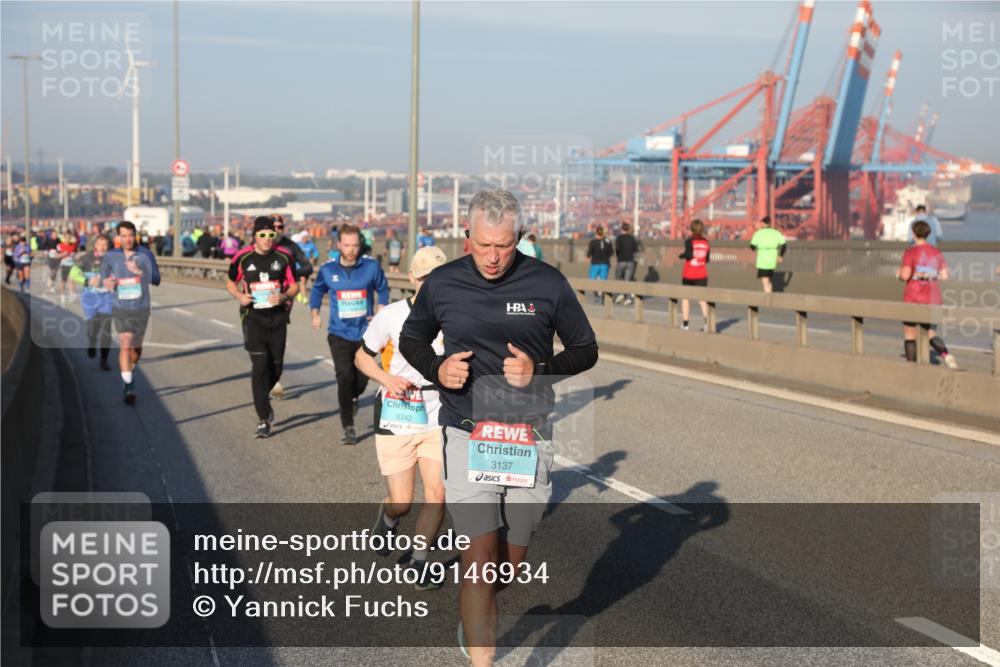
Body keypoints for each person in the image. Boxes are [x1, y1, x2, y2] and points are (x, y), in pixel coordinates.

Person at [399, 189, 598, 664]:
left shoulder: (547, 283)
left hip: (526, 435)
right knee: (477, 557)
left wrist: (540, 370)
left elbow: (586, 349)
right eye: (483, 245)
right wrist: (437, 368)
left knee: (508, 565)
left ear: (521, 238)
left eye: (503, 246)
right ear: (467, 236)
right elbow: (412, 338)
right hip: (466, 431)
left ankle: (475, 619)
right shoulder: (443, 283)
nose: (492, 257)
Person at [355, 246, 449, 589]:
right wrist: (385, 378)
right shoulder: (391, 316)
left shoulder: (456, 317)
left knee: (437, 495)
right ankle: (389, 518)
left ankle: (420, 562)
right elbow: (362, 358)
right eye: (426, 279)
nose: (433, 285)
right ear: (412, 279)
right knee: (403, 502)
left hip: (439, 414)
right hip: (397, 412)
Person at [310, 223, 389, 445]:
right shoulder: (328, 269)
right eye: (347, 245)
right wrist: (314, 313)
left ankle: (354, 396)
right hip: (339, 333)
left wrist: (381, 308)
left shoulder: (371, 267)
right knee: (344, 376)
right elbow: (317, 291)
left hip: (365, 333)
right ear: (339, 245)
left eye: (355, 245)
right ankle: (348, 426)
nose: (351, 250)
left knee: (362, 378)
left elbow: (383, 288)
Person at [226, 216, 299, 438]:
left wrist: (284, 295)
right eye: (262, 235)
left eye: (270, 235)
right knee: (259, 366)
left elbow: (295, 286)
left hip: (277, 319)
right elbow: (230, 282)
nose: (267, 239)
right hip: (252, 318)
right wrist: (240, 296)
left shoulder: (284, 258)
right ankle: (262, 419)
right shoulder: (242, 257)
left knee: (276, 368)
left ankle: (263, 399)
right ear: (255, 236)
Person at [101, 221, 161, 405]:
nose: (127, 239)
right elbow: (104, 275)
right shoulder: (111, 256)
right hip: (121, 307)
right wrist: (107, 282)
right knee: (125, 344)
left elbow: (156, 279)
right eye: (123, 235)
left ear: (136, 235)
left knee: (136, 347)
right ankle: (128, 385)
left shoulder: (145, 253)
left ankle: (132, 368)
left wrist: (140, 271)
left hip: (141, 306)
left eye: (130, 235)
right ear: (118, 237)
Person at [897, 220, 958, 369]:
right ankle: (946, 355)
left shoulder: (910, 252)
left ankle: (911, 368)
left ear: (913, 233)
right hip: (932, 298)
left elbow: (905, 276)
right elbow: (944, 276)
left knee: (910, 334)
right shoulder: (936, 252)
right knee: (931, 334)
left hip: (913, 298)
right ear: (928, 233)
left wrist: (898, 274)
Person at [270, 214, 315, 397]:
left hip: (284, 299)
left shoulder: (289, 246)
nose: (276, 230)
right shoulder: (257, 245)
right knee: (261, 343)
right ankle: (265, 373)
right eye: (273, 226)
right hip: (259, 302)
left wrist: (289, 272)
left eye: (279, 226)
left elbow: (307, 266)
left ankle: (274, 377)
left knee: (277, 341)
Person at [70, 233, 114, 370]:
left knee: (106, 330)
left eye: (105, 244)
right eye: (100, 244)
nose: (102, 247)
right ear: (95, 245)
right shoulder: (86, 258)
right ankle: (92, 342)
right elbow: (73, 273)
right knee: (93, 329)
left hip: (107, 298)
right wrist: (87, 281)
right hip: (90, 298)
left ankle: (104, 360)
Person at [679, 219, 711, 331]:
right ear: (702, 230)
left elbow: (688, 255)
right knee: (702, 299)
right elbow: (707, 259)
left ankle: (685, 324)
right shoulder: (706, 242)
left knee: (686, 298)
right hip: (702, 274)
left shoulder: (689, 241)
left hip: (689, 274)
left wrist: (681, 256)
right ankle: (708, 324)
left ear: (691, 229)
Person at [750, 216, 786, 293]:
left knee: (765, 280)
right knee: (768, 279)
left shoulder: (758, 233)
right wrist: (781, 256)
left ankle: (768, 299)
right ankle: (769, 296)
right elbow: (784, 245)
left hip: (763, 259)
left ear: (763, 223)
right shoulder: (776, 233)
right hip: (772, 259)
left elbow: (752, 247)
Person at [613, 222, 642, 305]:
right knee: (627, 280)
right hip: (630, 261)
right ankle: (628, 298)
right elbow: (635, 249)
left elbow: (617, 249)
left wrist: (618, 256)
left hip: (621, 260)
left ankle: (620, 294)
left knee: (618, 278)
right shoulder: (632, 238)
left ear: (622, 229)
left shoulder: (619, 238)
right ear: (628, 229)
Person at [586, 225, 613, 303]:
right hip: (605, 264)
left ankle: (597, 296)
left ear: (596, 233)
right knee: (603, 282)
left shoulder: (593, 242)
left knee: (592, 281)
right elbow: (611, 253)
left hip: (595, 264)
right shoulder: (608, 241)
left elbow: (588, 254)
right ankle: (602, 297)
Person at [56, 232, 78, 305]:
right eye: (66, 237)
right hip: (64, 265)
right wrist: (62, 255)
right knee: (63, 281)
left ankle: (71, 294)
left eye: (69, 237)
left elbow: (75, 255)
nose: (67, 239)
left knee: (72, 280)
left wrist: (75, 256)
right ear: (64, 238)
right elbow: (56, 256)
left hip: (71, 265)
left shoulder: (73, 246)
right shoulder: (60, 246)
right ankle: (63, 296)